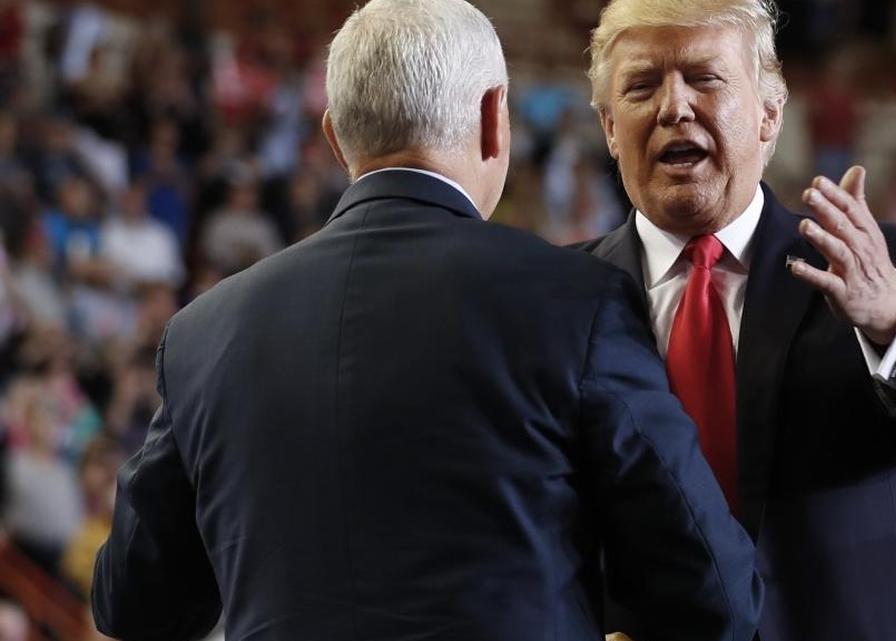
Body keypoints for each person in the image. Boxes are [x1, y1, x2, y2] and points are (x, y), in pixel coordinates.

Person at [91, 1, 762, 641]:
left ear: (334, 136)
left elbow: (132, 600)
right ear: (495, 117)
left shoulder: (203, 333)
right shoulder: (576, 300)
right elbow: (714, 593)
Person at [580, 1, 896, 640]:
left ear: (769, 115)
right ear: (610, 128)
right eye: (641, 86)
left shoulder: (883, 265)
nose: (673, 107)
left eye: (705, 78)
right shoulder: (562, 296)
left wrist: (892, 316)